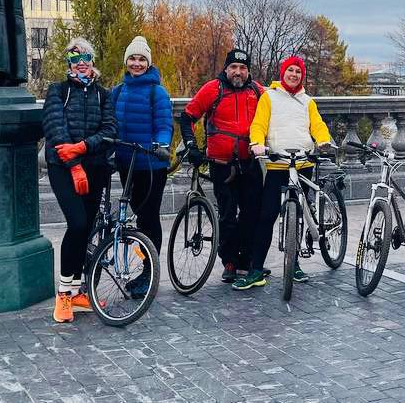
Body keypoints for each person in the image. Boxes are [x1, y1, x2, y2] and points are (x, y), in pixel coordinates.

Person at [235, 56, 337, 291]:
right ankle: (256, 270)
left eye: (298, 72)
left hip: (302, 164)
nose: (294, 75)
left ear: (302, 76)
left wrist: (322, 141)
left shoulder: (307, 101)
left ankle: (295, 263)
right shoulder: (269, 97)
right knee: (267, 216)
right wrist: (257, 144)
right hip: (277, 163)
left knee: (298, 215)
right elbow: (259, 124)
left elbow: (318, 125)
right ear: (283, 73)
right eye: (290, 70)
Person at [42, 38, 116, 323]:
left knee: (87, 231)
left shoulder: (103, 95)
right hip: (63, 167)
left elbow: (110, 129)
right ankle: (63, 294)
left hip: (95, 166)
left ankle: (76, 293)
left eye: (85, 56)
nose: (80, 62)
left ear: (93, 61)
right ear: (68, 63)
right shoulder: (58, 91)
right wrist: (74, 164)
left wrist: (84, 147)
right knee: (77, 223)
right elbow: (54, 128)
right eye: (74, 58)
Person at [178, 49, 265, 284]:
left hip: (250, 163)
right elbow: (187, 118)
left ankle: (246, 259)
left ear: (248, 71)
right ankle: (229, 261)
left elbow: (276, 113)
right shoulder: (212, 89)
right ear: (226, 69)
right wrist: (191, 146)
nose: (238, 72)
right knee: (227, 215)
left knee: (252, 213)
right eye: (234, 67)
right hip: (222, 164)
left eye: (243, 68)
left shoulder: (257, 91)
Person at [110, 36, 173, 298]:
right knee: (134, 211)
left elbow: (164, 124)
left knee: (148, 216)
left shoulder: (156, 92)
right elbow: (110, 123)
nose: (137, 63)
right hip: (126, 160)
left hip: (150, 163)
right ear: (127, 62)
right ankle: (144, 254)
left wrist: (162, 143)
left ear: (148, 63)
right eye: (133, 59)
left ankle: (150, 271)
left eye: (141, 59)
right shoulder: (118, 91)